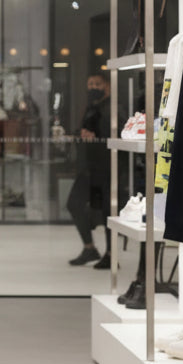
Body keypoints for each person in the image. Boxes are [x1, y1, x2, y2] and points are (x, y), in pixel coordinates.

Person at [66, 72, 112, 267]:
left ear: (106, 86)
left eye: (97, 84)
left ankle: (111, 254)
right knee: (74, 203)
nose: (93, 87)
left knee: (108, 211)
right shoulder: (90, 108)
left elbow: (111, 134)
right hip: (88, 167)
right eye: (90, 84)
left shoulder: (112, 108)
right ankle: (89, 248)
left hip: (106, 168)